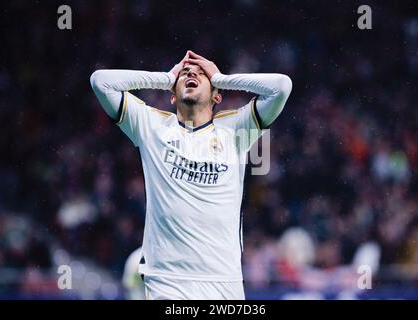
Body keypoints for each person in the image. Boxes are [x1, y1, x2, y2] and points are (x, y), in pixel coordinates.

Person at [90, 51, 292, 299]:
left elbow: (281, 87)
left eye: (200, 74)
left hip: (224, 284)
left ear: (217, 94)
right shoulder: (151, 126)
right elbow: (101, 81)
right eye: (185, 73)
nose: (191, 73)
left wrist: (221, 77)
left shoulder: (236, 130)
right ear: (173, 96)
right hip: (168, 284)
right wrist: (166, 78)